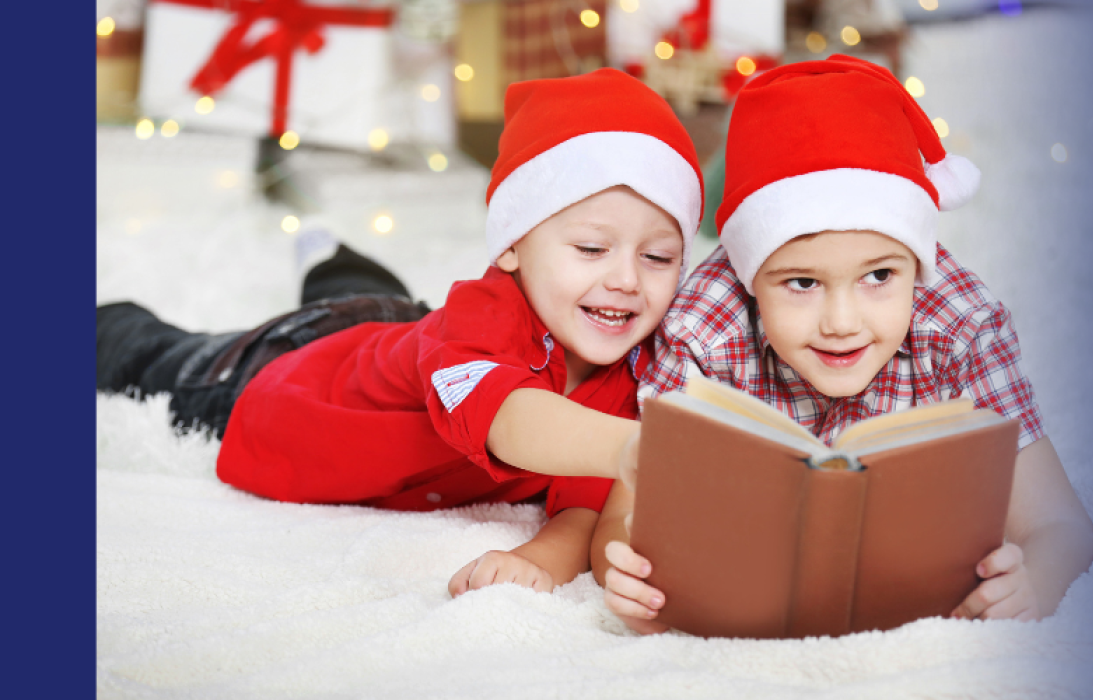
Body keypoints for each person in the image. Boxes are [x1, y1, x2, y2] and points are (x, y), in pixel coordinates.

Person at [95, 68, 706, 598]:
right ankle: (315, 260)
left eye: (658, 258)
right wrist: (631, 445)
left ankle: (329, 252)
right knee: (153, 355)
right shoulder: (485, 316)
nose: (626, 279)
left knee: (373, 301)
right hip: (286, 372)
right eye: (593, 247)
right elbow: (514, 419)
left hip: (400, 330)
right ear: (512, 246)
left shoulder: (635, 367)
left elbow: (583, 506)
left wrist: (531, 564)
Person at [593, 56, 1093, 634]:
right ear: (751, 277)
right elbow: (621, 520)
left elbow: (1061, 526)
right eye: (802, 283)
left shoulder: (962, 325)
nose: (842, 322)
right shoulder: (702, 330)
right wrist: (630, 578)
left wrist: (1035, 582)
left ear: (915, 263)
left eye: (880, 277)